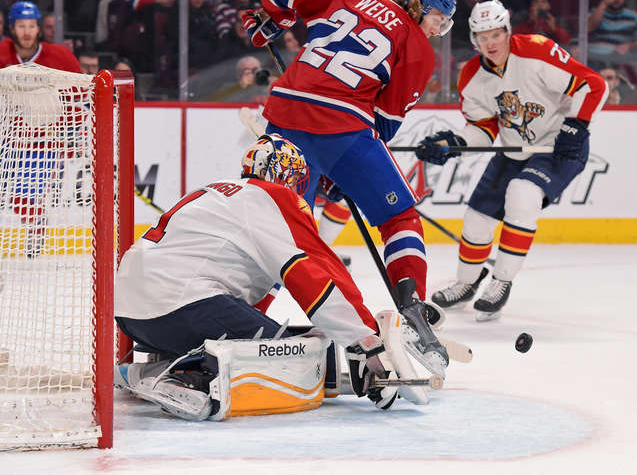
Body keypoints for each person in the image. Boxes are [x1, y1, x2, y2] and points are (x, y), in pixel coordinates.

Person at [114, 134, 432, 420]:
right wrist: (365, 342)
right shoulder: (274, 198)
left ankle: (159, 364)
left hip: (131, 315)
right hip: (183, 303)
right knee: (294, 359)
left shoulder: (214, 192)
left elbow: (250, 308)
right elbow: (318, 275)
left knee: (270, 341)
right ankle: (185, 378)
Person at [240, 0, 457, 368]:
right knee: (399, 217)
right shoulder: (418, 49)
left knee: (277, 232)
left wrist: (277, 21)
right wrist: (341, 173)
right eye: (436, 19)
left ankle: (239, 322)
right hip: (345, 126)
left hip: (285, 112)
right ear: (415, 4)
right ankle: (411, 311)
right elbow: (384, 123)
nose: (435, 30)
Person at [416, 0, 608, 320]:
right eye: (482, 37)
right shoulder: (472, 76)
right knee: (477, 218)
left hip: (558, 148)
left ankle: (501, 281)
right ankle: (467, 282)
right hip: (513, 149)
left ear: (507, 31)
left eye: (495, 34)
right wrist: (453, 143)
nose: (490, 43)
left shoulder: (536, 51)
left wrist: (576, 126)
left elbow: (593, 84)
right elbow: (483, 129)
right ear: (474, 40)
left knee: (522, 194)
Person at [0, 1, 82, 259]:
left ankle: (35, 226)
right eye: (21, 26)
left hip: (43, 140)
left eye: (32, 26)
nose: (27, 32)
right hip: (3, 139)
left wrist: (75, 130)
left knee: (24, 198)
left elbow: (77, 93)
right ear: (12, 28)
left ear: (39, 29)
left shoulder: (60, 56)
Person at [587, 0, 637, 65]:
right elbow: (589, 27)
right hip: (595, 57)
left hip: (620, 60)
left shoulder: (632, 16)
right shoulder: (596, 12)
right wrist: (604, 3)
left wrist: (629, 46)